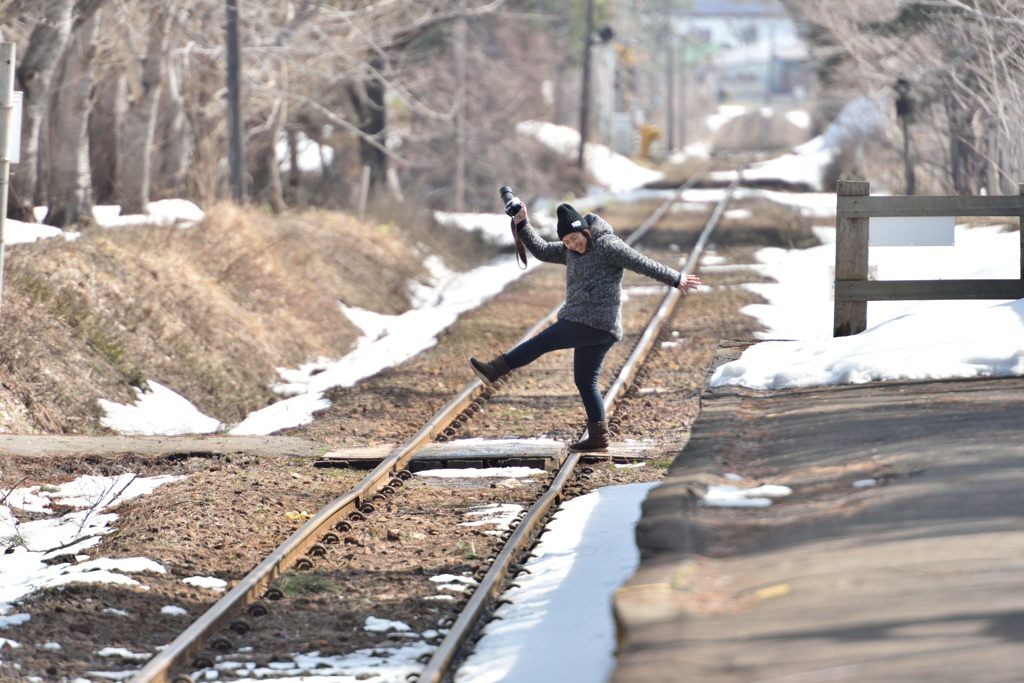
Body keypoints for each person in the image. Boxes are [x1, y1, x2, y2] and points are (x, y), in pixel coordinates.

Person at [469, 201, 701, 452]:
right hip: (596, 328)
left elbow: (641, 262)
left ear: (585, 231)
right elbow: (542, 250)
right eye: (566, 241)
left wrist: (676, 278)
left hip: (594, 320)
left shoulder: (607, 245)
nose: (572, 245)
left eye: (574, 238)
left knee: (543, 341)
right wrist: (522, 223)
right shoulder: (569, 251)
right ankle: (598, 436)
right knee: (585, 380)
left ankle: (495, 369)